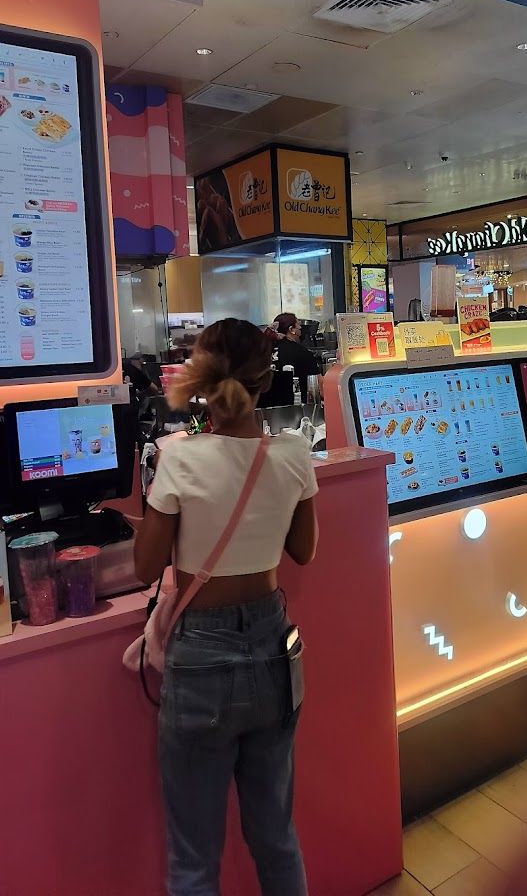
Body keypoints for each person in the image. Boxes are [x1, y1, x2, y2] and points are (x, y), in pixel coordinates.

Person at [134, 318, 318, 895]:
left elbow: (144, 568)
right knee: (276, 838)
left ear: (199, 384)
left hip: (201, 661)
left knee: (194, 861)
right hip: (272, 648)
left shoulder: (179, 460)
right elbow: (304, 552)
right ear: (266, 381)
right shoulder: (293, 456)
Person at [258, 313, 320, 408]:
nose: (301, 331)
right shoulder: (302, 353)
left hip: (262, 412)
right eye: (299, 327)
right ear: (291, 330)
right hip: (295, 412)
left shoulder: (262, 352)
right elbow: (318, 388)